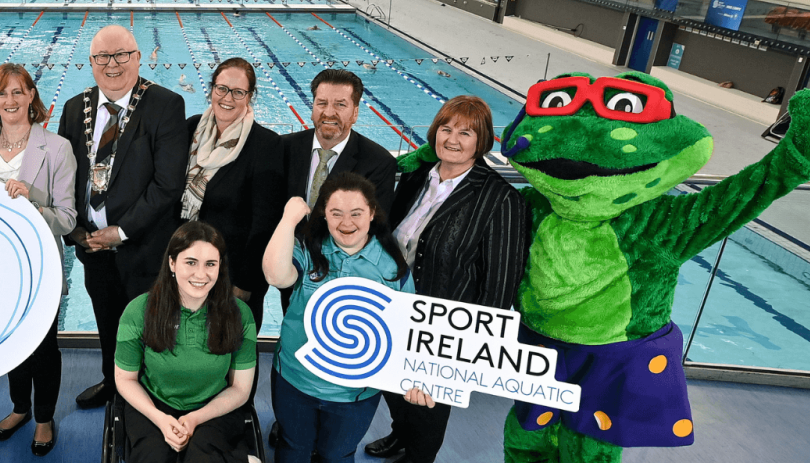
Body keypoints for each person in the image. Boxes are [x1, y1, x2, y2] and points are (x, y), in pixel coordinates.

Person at [363, 96, 532, 463]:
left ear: (481, 140)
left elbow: (499, 285)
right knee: (391, 385)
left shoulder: (500, 199)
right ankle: (399, 434)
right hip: (391, 310)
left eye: (465, 132)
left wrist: (469, 346)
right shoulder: (412, 179)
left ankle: (417, 456)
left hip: (444, 327)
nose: (452, 139)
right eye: (446, 128)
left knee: (429, 405)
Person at [56, 24, 188, 410]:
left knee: (149, 327)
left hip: (143, 247)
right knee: (106, 321)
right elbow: (65, 178)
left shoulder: (165, 104)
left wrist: (123, 231)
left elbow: (167, 185)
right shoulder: (73, 107)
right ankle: (113, 383)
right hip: (92, 247)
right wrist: (76, 231)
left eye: (121, 55)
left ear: (138, 57)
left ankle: (151, 395)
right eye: (102, 57)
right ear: (91, 63)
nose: (112, 65)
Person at [0, 63, 77, 456]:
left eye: (18, 91)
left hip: (39, 263)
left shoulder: (57, 147)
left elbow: (66, 219)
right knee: (11, 342)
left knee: (43, 346)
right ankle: (19, 409)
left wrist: (30, 200)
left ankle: (43, 418)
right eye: (1, 93)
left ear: (32, 95)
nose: (10, 100)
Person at [263, 173, 413, 463]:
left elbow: (406, 334)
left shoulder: (393, 268)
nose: (346, 223)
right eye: (336, 213)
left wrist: (415, 380)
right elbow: (275, 275)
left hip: (355, 394)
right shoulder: (308, 250)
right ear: (324, 215)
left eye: (356, 213)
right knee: (293, 448)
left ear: (372, 213)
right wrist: (288, 219)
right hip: (296, 380)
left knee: (337, 454)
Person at [115, 221, 257, 463]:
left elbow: (240, 389)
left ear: (220, 267)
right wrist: (159, 418)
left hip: (214, 407)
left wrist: (195, 418)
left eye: (210, 264)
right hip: (154, 404)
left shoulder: (240, 314)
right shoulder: (138, 311)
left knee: (202, 457)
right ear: (172, 263)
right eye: (190, 262)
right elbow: (125, 379)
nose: (201, 274)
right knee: (153, 457)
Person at [179, 57, 286, 335]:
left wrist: (244, 284)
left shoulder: (266, 145)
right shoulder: (191, 129)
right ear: (211, 89)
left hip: (233, 276)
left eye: (238, 92)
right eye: (222, 89)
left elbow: (264, 224)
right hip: (186, 269)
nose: (228, 98)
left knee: (233, 355)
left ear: (250, 96)